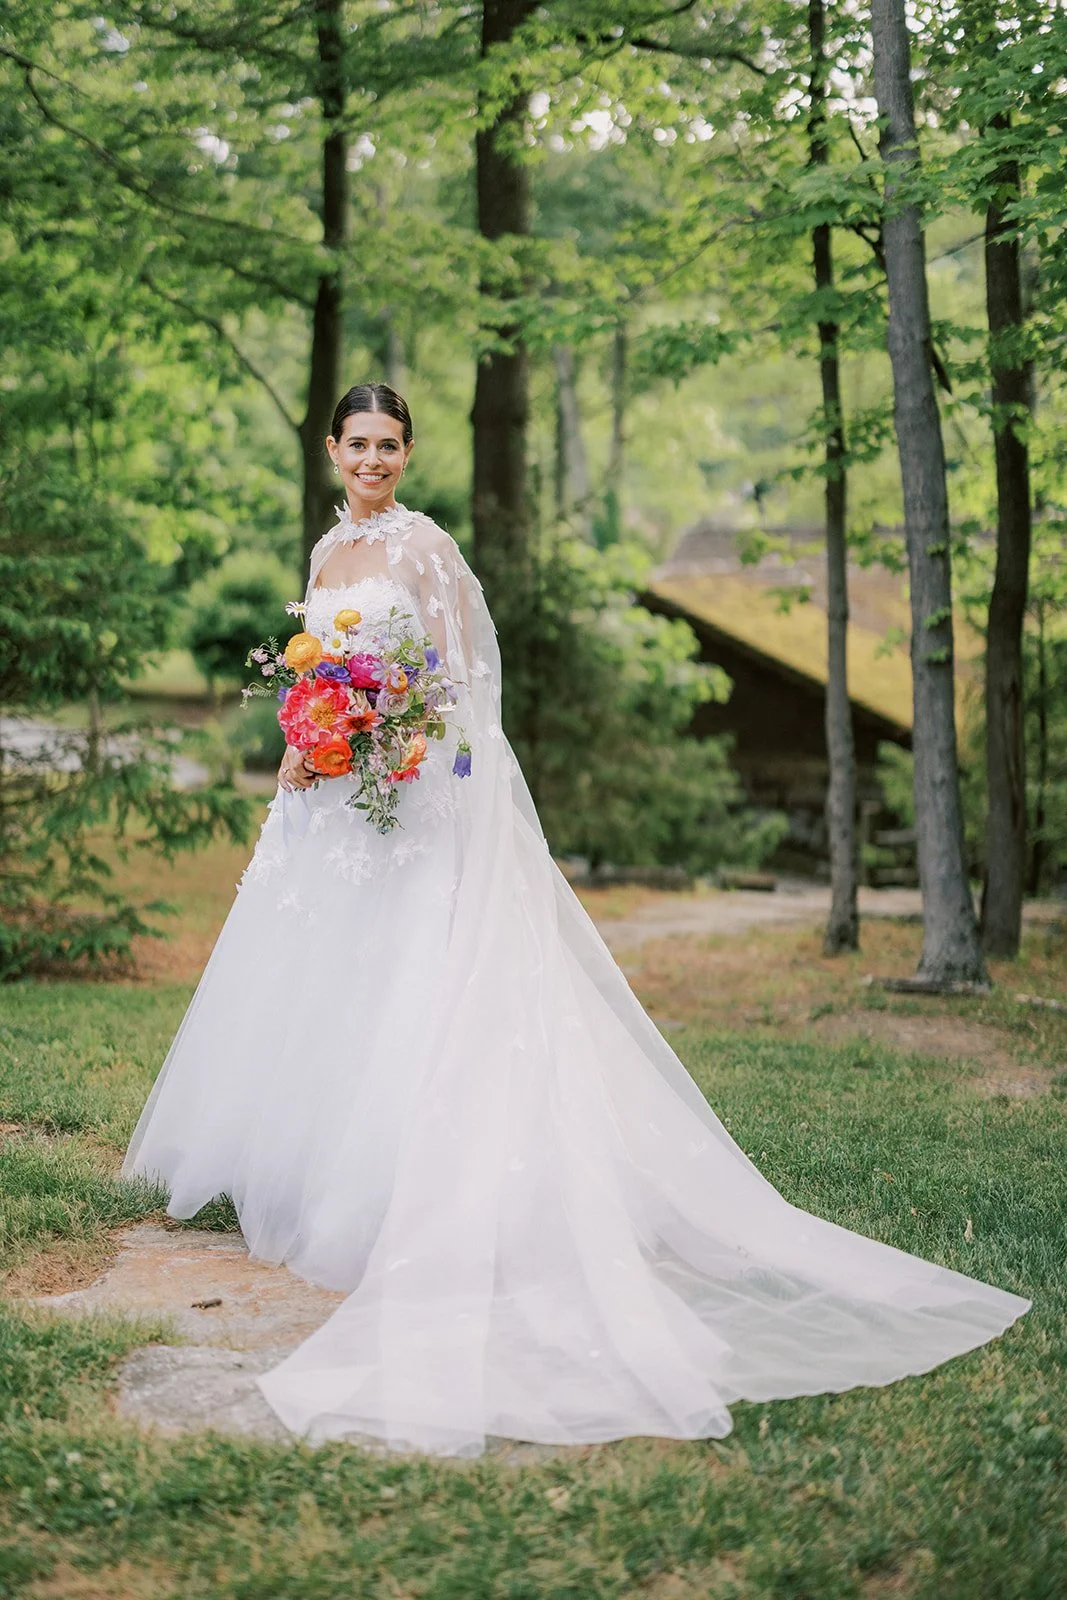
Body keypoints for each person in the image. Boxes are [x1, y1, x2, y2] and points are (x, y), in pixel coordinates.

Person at [123, 382, 1029, 1459]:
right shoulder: (325, 560)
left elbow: (459, 682)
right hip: (328, 798)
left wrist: (391, 728)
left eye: (390, 444)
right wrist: (310, 728)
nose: (373, 459)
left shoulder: (426, 550)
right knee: (322, 971)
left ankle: (389, 1201)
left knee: (404, 977)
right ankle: (297, 1171)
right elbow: (315, 666)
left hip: (407, 790)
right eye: (357, 443)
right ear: (331, 450)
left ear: (407, 453)